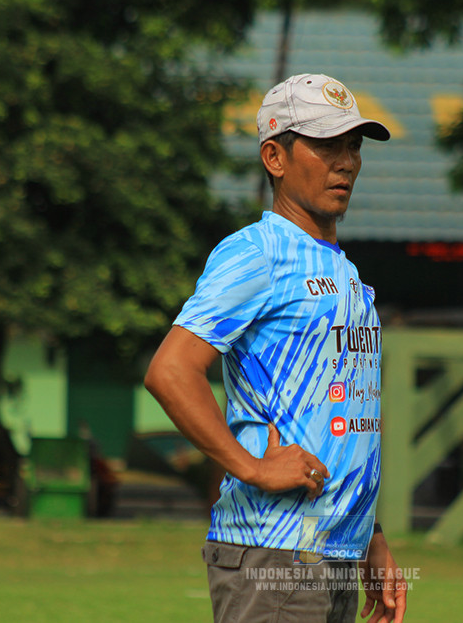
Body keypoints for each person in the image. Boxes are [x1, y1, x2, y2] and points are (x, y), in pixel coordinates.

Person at [144, 74, 406, 623]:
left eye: (353, 146)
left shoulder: (343, 270)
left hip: (333, 553)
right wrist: (252, 468)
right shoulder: (258, 252)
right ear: (275, 157)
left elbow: (341, 422)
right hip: (273, 552)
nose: (346, 162)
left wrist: (371, 536)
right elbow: (171, 370)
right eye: (326, 145)